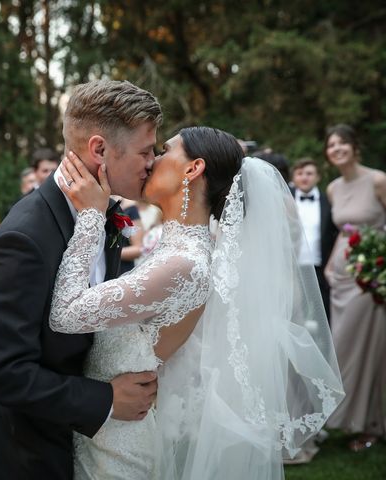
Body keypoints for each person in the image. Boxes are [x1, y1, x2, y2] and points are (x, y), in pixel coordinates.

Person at [50, 127, 344, 479]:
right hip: (107, 429)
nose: (151, 160)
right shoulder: (179, 251)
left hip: (119, 447)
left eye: (164, 150)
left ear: (193, 169)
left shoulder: (184, 264)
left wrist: (91, 218)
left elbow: (65, 313)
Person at [0, 80, 162, 480]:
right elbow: (4, 373)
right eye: (146, 151)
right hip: (26, 455)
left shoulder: (103, 214)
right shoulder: (21, 240)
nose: (153, 162)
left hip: (82, 444)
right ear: (99, 150)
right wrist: (106, 399)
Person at [323, 124, 386, 451]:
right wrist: (332, 267)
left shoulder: (378, 180)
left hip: (372, 274)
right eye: (331, 145)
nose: (336, 149)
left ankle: (371, 425)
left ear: (354, 147)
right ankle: (349, 419)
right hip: (343, 277)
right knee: (343, 346)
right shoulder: (333, 188)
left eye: (342, 143)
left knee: (368, 348)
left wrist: (380, 265)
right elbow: (344, 233)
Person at [290, 158, 337, 319]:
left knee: (323, 315)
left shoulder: (329, 202)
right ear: (294, 177)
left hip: (320, 269)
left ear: (318, 177)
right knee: (294, 316)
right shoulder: (284, 200)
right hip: (292, 270)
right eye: (300, 173)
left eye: (309, 173)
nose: (304, 177)